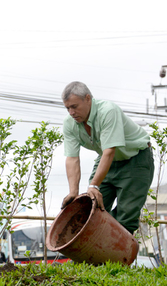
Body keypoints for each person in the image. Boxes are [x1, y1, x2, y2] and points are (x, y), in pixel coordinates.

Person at [60, 81, 154, 234]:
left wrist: (94, 185)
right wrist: (73, 192)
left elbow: (110, 150)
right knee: (91, 206)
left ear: (88, 99)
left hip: (135, 159)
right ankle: (93, 256)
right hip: (107, 159)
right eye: (67, 108)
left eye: (74, 106)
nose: (71, 112)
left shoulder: (108, 111)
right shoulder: (69, 123)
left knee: (125, 219)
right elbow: (72, 158)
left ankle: (115, 256)